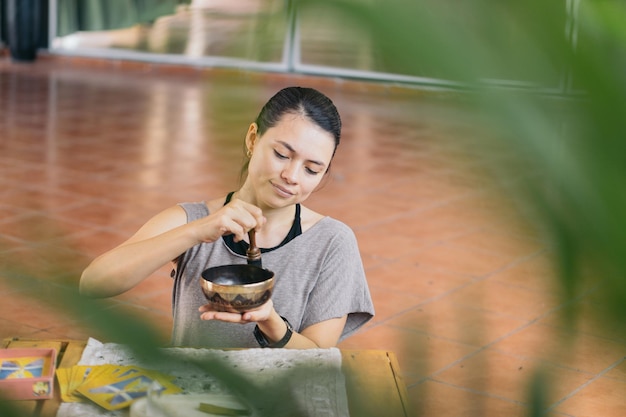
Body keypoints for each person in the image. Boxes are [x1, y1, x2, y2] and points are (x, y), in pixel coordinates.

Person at [80, 86, 374, 349]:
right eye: (282, 154)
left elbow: (317, 355)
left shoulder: (333, 241)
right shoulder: (194, 219)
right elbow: (93, 283)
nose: (291, 176)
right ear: (252, 139)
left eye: (311, 169)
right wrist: (197, 231)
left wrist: (269, 321)